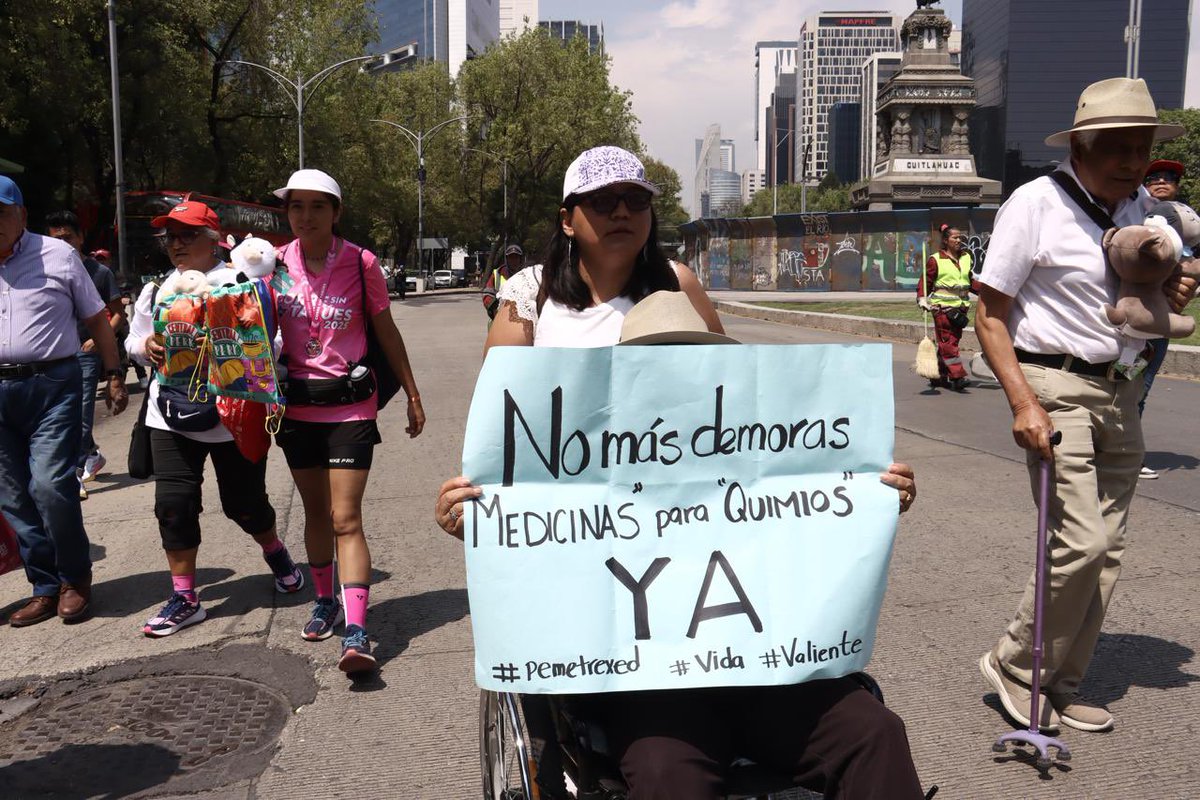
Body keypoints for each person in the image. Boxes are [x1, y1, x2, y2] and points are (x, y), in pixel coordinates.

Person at [435, 146, 923, 799]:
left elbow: (755, 419)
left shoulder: (679, 288)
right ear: (567, 217)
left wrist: (866, 489)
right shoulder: (529, 303)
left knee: (874, 732)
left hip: (758, 652)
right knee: (667, 777)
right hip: (637, 659)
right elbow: (509, 444)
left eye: (635, 199)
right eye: (602, 200)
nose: (620, 211)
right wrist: (482, 510)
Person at [975, 78, 1197, 734]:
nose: (1133, 164)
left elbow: (1142, 301)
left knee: (1110, 550)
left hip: (1119, 389)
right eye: (1120, 149)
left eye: (1143, 150)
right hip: (1052, 386)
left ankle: (1061, 682)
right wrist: (1022, 404)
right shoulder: (1035, 205)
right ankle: (1015, 664)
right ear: (1083, 145)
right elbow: (990, 314)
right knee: (1081, 540)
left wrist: (1171, 298)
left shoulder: (1139, 214)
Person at [126, 200, 304, 637]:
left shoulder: (241, 283)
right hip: (168, 412)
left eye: (186, 235)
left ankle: (275, 549)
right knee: (173, 505)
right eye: (170, 237)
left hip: (232, 417)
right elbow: (135, 336)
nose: (176, 245)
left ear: (212, 240)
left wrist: (237, 346)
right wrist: (144, 347)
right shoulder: (158, 290)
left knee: (244, 505)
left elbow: (273, 341)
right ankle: (186, 597)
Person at [272, 169, 425, 675]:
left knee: (345, 517)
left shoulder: (362, 263)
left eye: (318, 206)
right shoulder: (271, 265)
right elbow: (248, 332)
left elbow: (386, 329)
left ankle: (357, 632)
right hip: (297, 408)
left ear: (336, 212)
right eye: (297, 206)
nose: (306, 216)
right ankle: (323, 600)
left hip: (350, 407)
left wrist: (412, 393)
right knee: (316, 515)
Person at [0, 176, 128, 626]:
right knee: (13, 497)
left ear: (22, 216)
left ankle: (75, 578)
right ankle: (45, 586)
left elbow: (97, 318)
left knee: (51, 486)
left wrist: (114, 374)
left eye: (1, 212)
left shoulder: (57, 256)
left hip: (52, 385)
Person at [46, 211, 125, 499]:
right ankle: (92, 453)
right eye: (56, 238)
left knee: (80, 414)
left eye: (68, 237)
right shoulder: (45, 269)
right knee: (63, 414)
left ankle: (75, 472)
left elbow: (117, 315)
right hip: (55, 357)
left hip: (86, 354)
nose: (63, 243)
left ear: (80, 237)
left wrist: (95, 342)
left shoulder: (99, 272)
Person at [1135, 158, 1186, 479]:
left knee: (1142, 387)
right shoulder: (1133, 214)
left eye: (1169, 177)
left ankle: (1126, 451)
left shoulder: (1186, 221)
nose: (1162, 181)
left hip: (1162, 323)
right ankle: (1117, 451)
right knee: (1122, 385)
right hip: (1131, 320)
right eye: (1154, 177)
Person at [916, 223, 974, 391]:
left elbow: (968, 280)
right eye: (955, 237)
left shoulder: (966, 257)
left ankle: (939, 376)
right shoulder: (936, 259)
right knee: (948, 343)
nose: (959, 240)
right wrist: (922, 298)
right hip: (942, 308)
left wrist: (988, 292)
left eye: (960, 237)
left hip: (961, 308)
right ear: (946, 240)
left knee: (950, 342)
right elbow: (925, 281)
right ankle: (958, 376)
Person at [480, 243, 526, 323]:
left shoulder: (527, 275)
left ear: (520, 259)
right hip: (500, 318)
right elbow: (487, 295)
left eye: (516, 258)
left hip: (523, 319)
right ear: (507, 259)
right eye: (511, 258)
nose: (514, 261)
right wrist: (494, 309)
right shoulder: (497, 274)